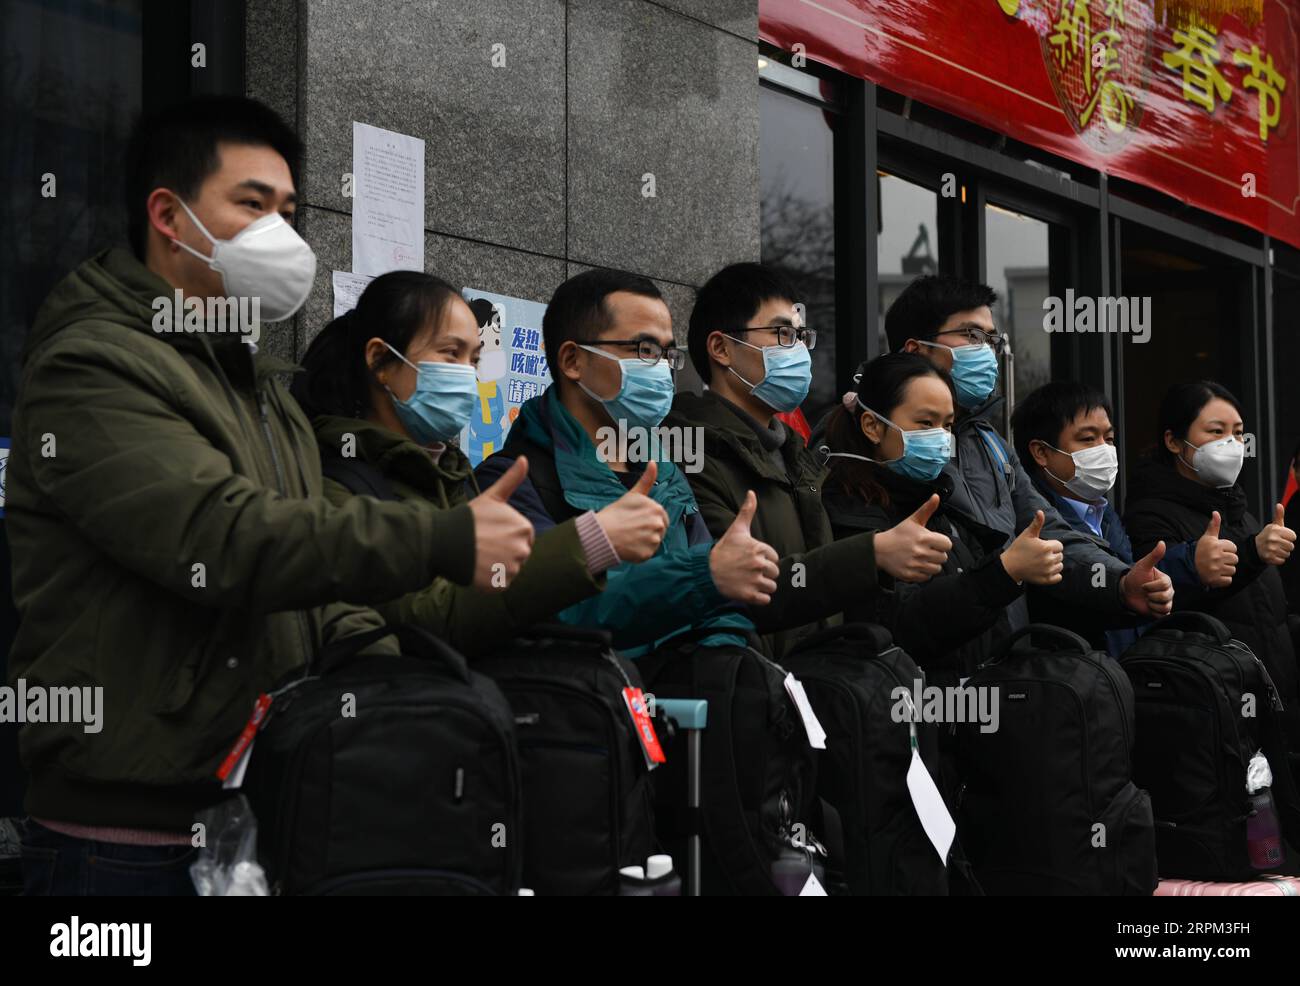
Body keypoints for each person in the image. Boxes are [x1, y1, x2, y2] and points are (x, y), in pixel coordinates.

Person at [6, 96, 533, 895]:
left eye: (289, 210)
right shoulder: (95, 365)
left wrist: (393, 688)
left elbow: (310, 585)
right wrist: (444, 541)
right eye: (252, 204)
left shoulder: (256, 384)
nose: (281, 233)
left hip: (247, 810)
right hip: (121, 845)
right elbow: (222, 539)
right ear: (168, 215)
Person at [294, 270, 669, 656]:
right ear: (381, 360)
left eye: (473, 358)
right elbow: (431, 619)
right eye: (450, 354)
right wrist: (592, 540)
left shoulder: (450, 475)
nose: (467, 375)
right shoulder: (333, 483)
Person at [475, 268, 781, 655]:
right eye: (644, 350)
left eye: (667, 354)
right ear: (572, 360)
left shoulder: (666, 472)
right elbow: (547, 611)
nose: (661, 370)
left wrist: (713, 676)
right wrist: (703, 576)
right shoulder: (512, 482)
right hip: (589, 706)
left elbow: (722, 608)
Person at [665, 263, 954, 659]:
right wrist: (872, 554)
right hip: (750, 697)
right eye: (782, 333)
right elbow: (740, 591)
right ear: (721, 348)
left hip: (806, 694)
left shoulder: (795, 457)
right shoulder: (690, 455)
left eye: (801, 336)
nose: (799, 350)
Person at [885, 274, 1173, 629]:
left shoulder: (989, 443)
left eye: (991, 339)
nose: (987, 351)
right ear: (916, 350)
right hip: (918, 677)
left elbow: (1049, 532)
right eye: (972, 336)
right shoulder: (869, 440)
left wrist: (1120, 581)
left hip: (1004, 667)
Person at [820, 353, 1064, 685]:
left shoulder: (936, 497)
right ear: (872, 426)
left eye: (947, 424)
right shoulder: (849, 506)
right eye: (925, 423)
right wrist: (1004, 572)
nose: (940, 437)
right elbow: (902, 627)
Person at [1124, 381, 1300, 747]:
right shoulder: (1151, 513)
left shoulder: (1239, 512)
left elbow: (1266, 616)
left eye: (1238, 433)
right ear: (1173, 441)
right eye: (1216, 432)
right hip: (1210, 712)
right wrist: (1251, 553)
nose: (1231, 444)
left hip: (1272, 707)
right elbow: (1160, 595)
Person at [1011, 381, 1229, 656]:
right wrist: (1188, 563)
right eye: (1088, 439)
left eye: (1109, 439)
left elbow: (1137, 584)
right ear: (1041, 452)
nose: (1104, 449)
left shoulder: (1106, 517)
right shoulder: (1034, 524)